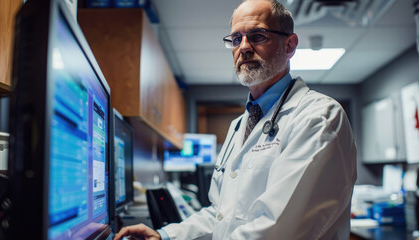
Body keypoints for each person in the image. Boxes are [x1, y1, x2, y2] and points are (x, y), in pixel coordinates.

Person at [114, 0, 357, 239]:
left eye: (258, 36)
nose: (244, 47)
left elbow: (276, 229)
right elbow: (221, 215)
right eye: (236, 39)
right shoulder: (239, 126)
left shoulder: (318, 117)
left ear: (289, 45)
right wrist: (165, 235)